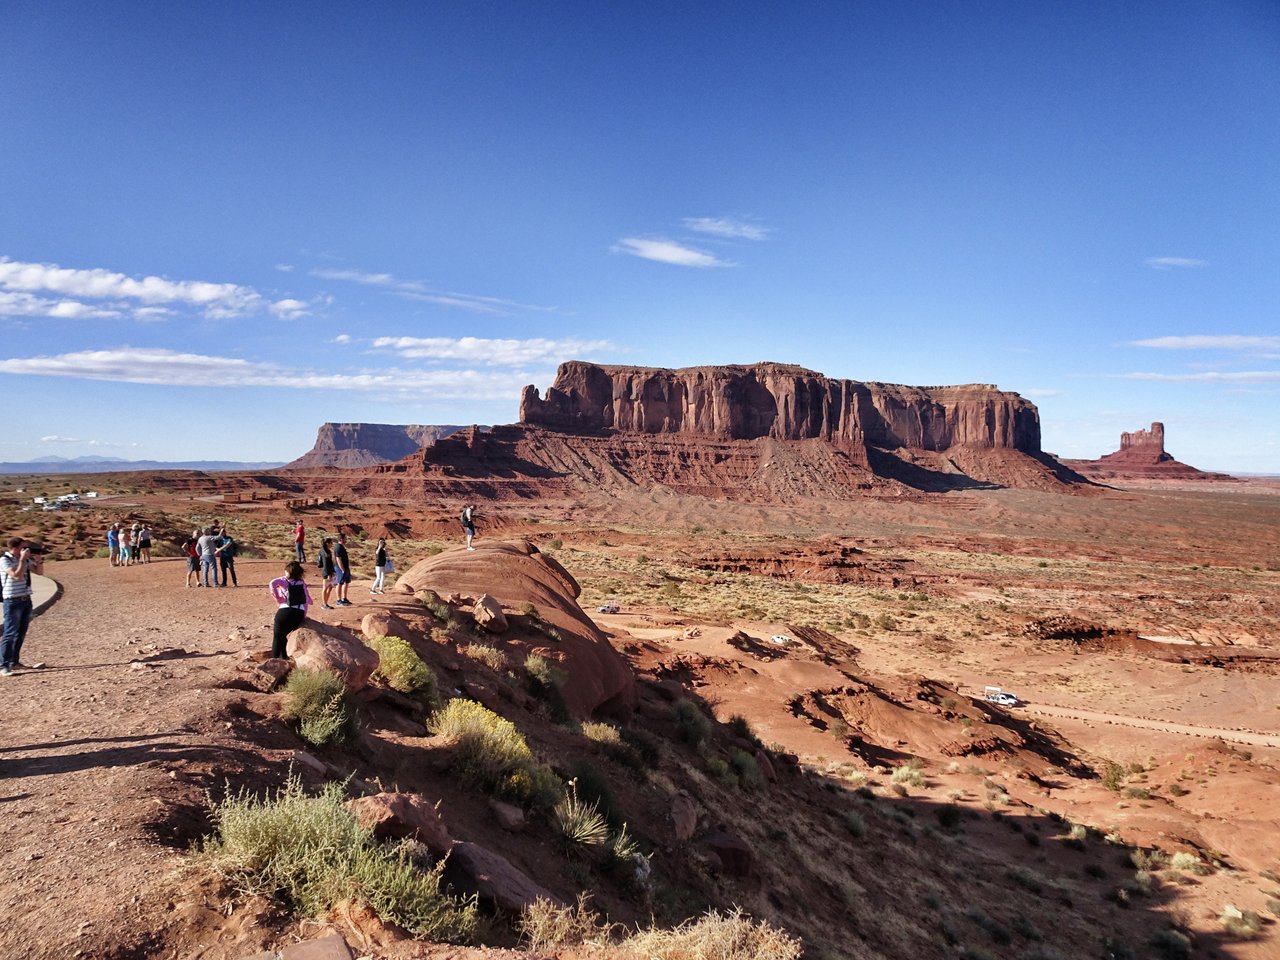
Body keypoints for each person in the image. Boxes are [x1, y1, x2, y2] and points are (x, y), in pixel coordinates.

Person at [1, 537, 44, 676]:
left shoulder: (24, 559)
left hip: (25, 599)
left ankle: (15, 661)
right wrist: (22, 560)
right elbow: (16, 575)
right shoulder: (4, 560)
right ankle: (4, 665)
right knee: (9, 633)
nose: (26, 550)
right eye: (23, 547)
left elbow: (39, 572)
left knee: (21, 632)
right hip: (12, 601)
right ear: (15, 547)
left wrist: (38, 559)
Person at [268, 561, 313, 658]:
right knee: (285, 635)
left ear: (287, 572)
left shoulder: (284, 580)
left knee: (277, 636)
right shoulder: (302, 583)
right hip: (298, 613)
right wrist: (303, 615)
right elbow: (306, 600)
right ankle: (284, 658)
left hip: (284, 611)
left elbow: (272, 583)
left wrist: (279, 598)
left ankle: (275, 661)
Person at [334, 533, 352, 606]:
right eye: (345, 538)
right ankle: (338, 600)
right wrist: (342, 569)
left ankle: (344, 598)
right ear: (341, 539)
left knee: (346, 582)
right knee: (340, 583)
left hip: (345, 567)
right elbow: (338, 559)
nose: (346, 539)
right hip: (340, 568)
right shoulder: (338, 547)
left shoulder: (342, 546)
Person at [317, 537, 337, 609]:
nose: (332, 544)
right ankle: (324, 604)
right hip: (327, 573)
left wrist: (333, 571)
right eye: (331, 543)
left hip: (328, 572)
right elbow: (325, 564)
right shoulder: (325, 552)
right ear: (327, 543)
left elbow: (325, 563)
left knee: (330, 587)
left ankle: (326, 603)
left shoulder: (325, 551)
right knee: (325, 588)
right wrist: (329, 574)